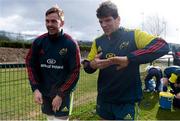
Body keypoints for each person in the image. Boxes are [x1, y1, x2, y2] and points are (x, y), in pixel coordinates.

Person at [82, 1, 169, 120]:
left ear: (118, 19)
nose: (103, 25)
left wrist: (129, 58)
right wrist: (92, 64)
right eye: (101, 22)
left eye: (108, 20)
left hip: (127, 100)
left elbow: (161, 45)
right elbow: (87, 66)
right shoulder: (98, 41)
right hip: (104, 98)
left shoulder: (133, 35)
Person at [25, 5, 80, 121]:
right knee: (50, 120)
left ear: (62, 23)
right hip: (45, 93)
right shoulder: (39, 42)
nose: (49, 24)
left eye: (54, 21)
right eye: (47, 21)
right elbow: (30, 64)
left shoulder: (70, 44)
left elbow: (75, 71)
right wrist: (35, 88)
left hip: (63, 94)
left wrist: (60, 94)